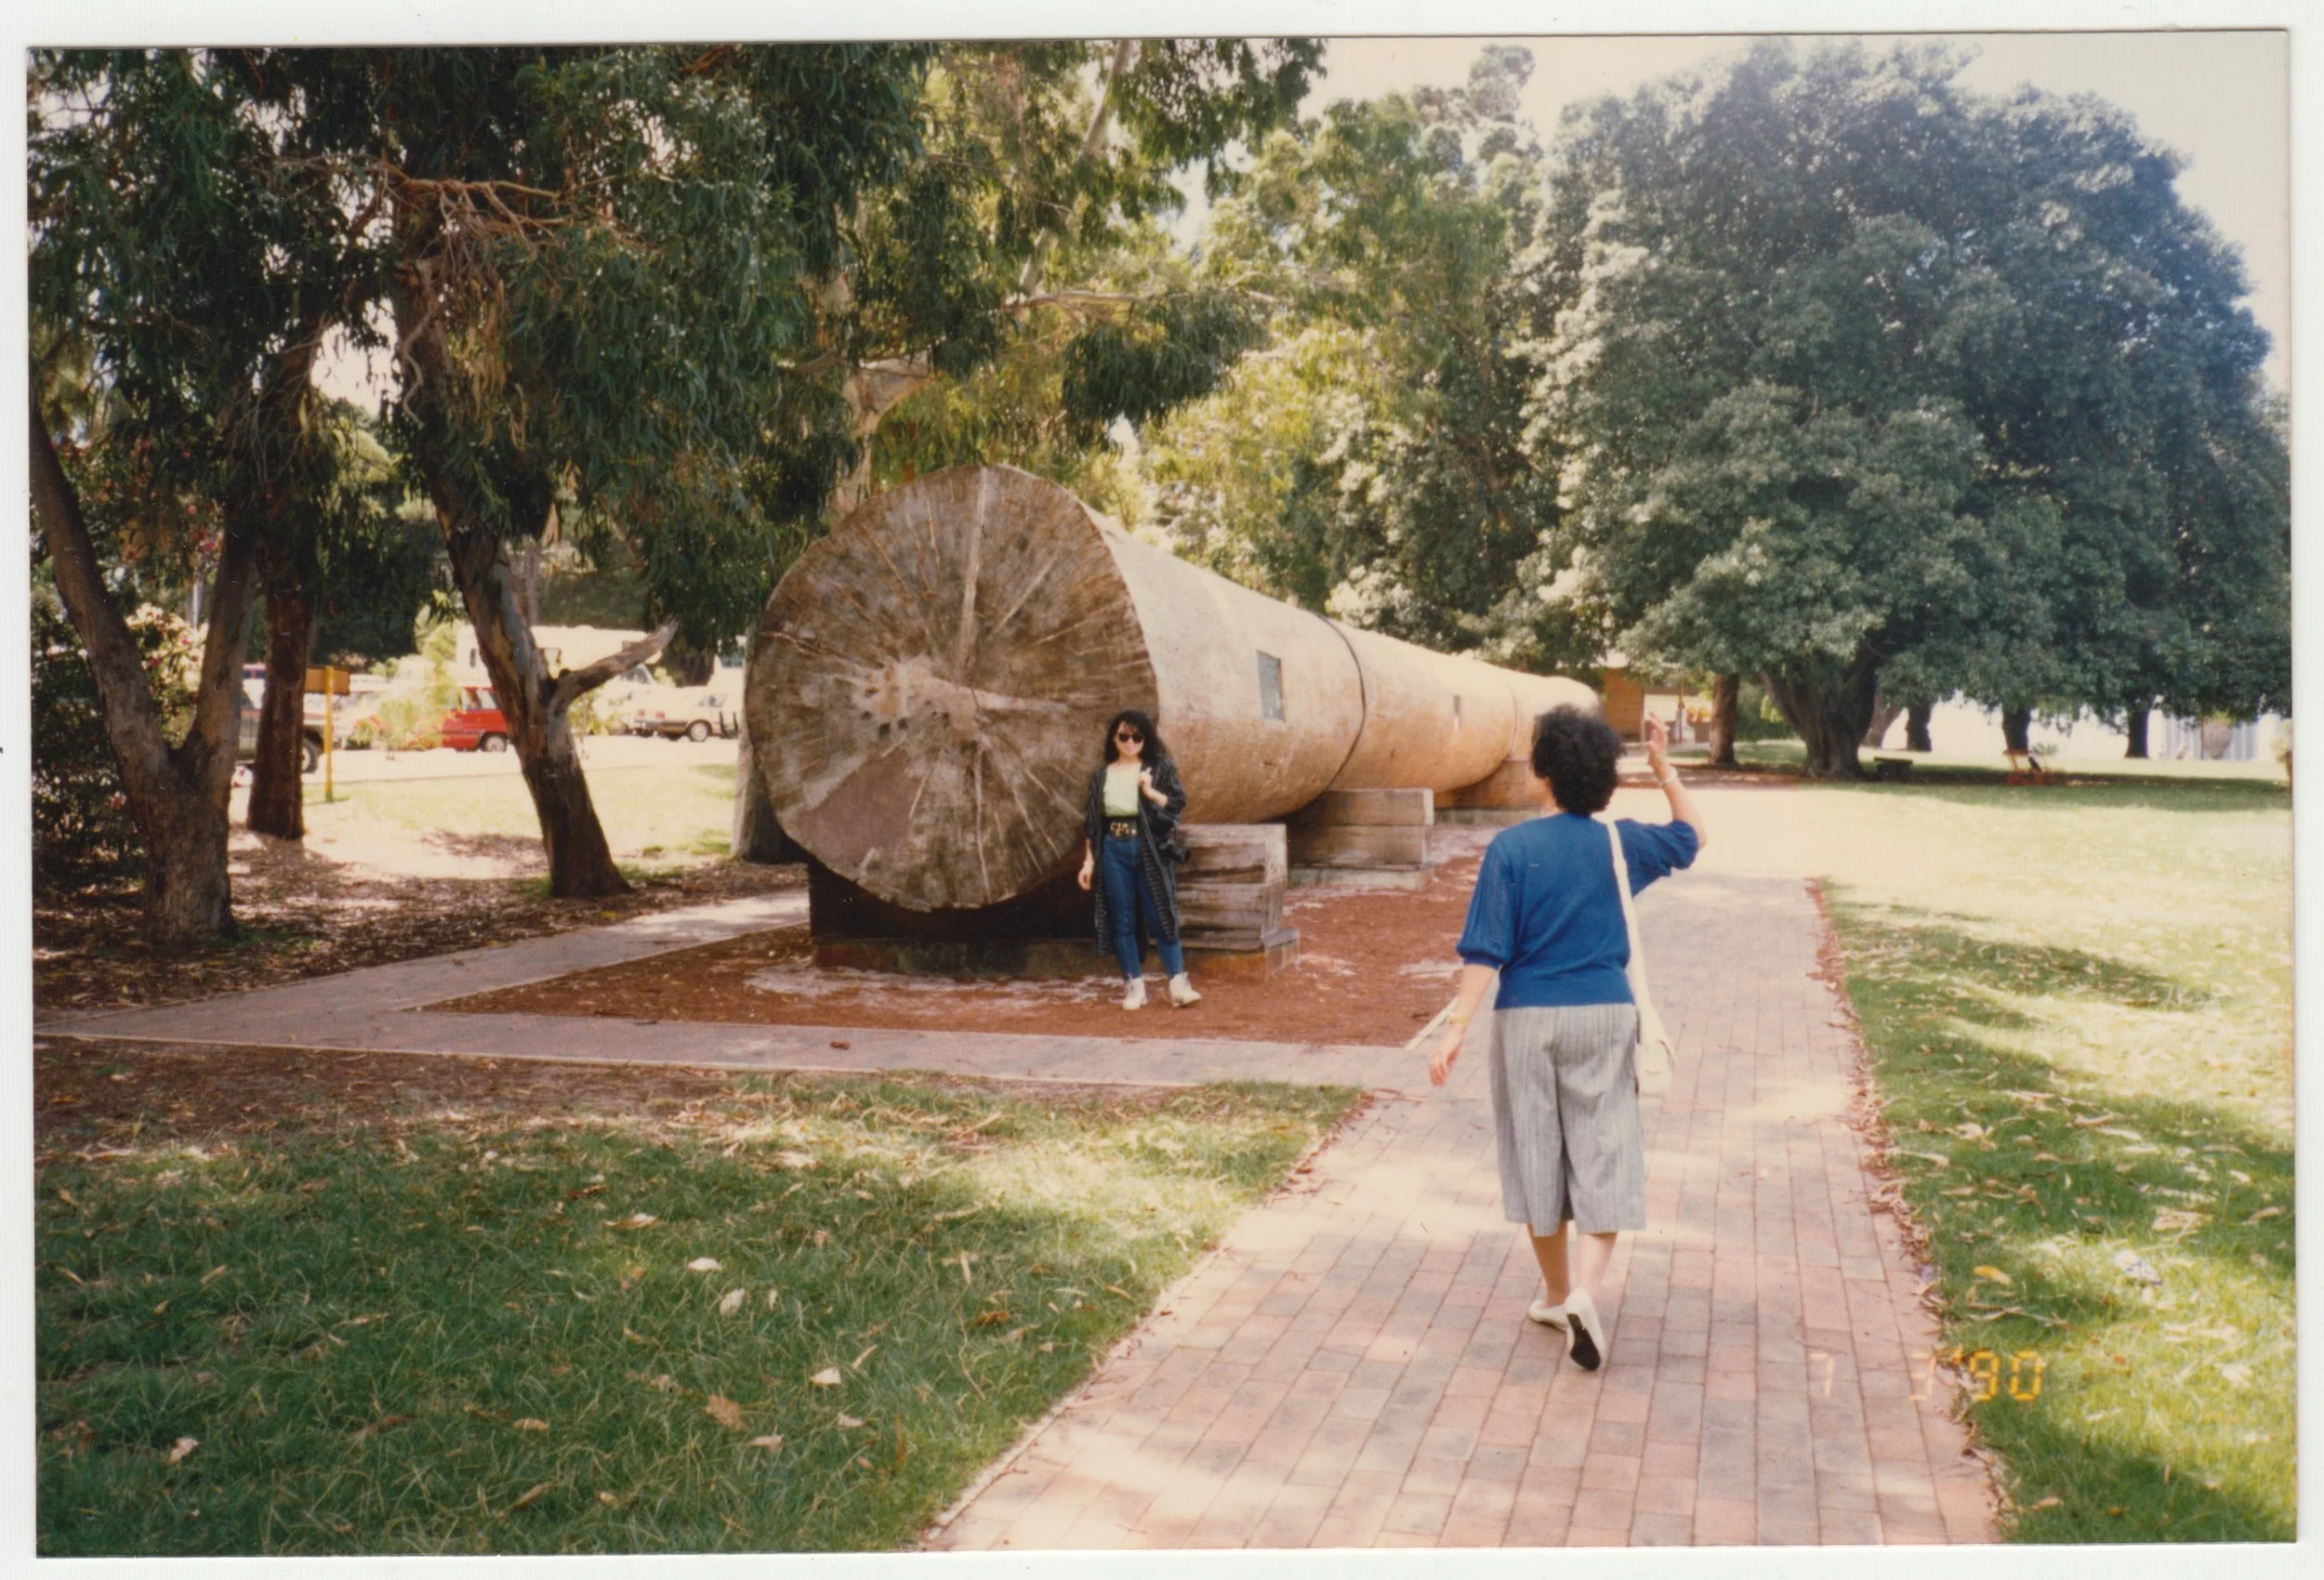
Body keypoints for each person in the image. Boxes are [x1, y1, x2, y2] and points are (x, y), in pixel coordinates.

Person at [1428, 706, 1705, 1371]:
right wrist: (1665, 772)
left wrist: (1457, 1026)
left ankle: (1556, 1293)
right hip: (1606, 1015)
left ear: (1546, 772)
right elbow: (1690, 838)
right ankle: (1584, 1291)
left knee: (1536, 1155)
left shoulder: (1511, 850)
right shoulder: (1620, 844)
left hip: (1526, 1018)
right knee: (1605, 1149)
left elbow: (1486, 951)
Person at [1076, 709, 1201, 1011]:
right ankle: (1134, 985)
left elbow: (1177, 804)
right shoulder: (1103, 776)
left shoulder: (1158, 768)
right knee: (1121, 919)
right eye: (1123, 736)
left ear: (1146, 738)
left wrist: (1149, 791)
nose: (1130, 742)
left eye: (1136, 736)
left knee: (1162, 914)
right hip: (1113, 849)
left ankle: (1178, 984)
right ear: (1114, 739)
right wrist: (1089, 862)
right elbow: (1094, 824)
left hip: (1149, 849)